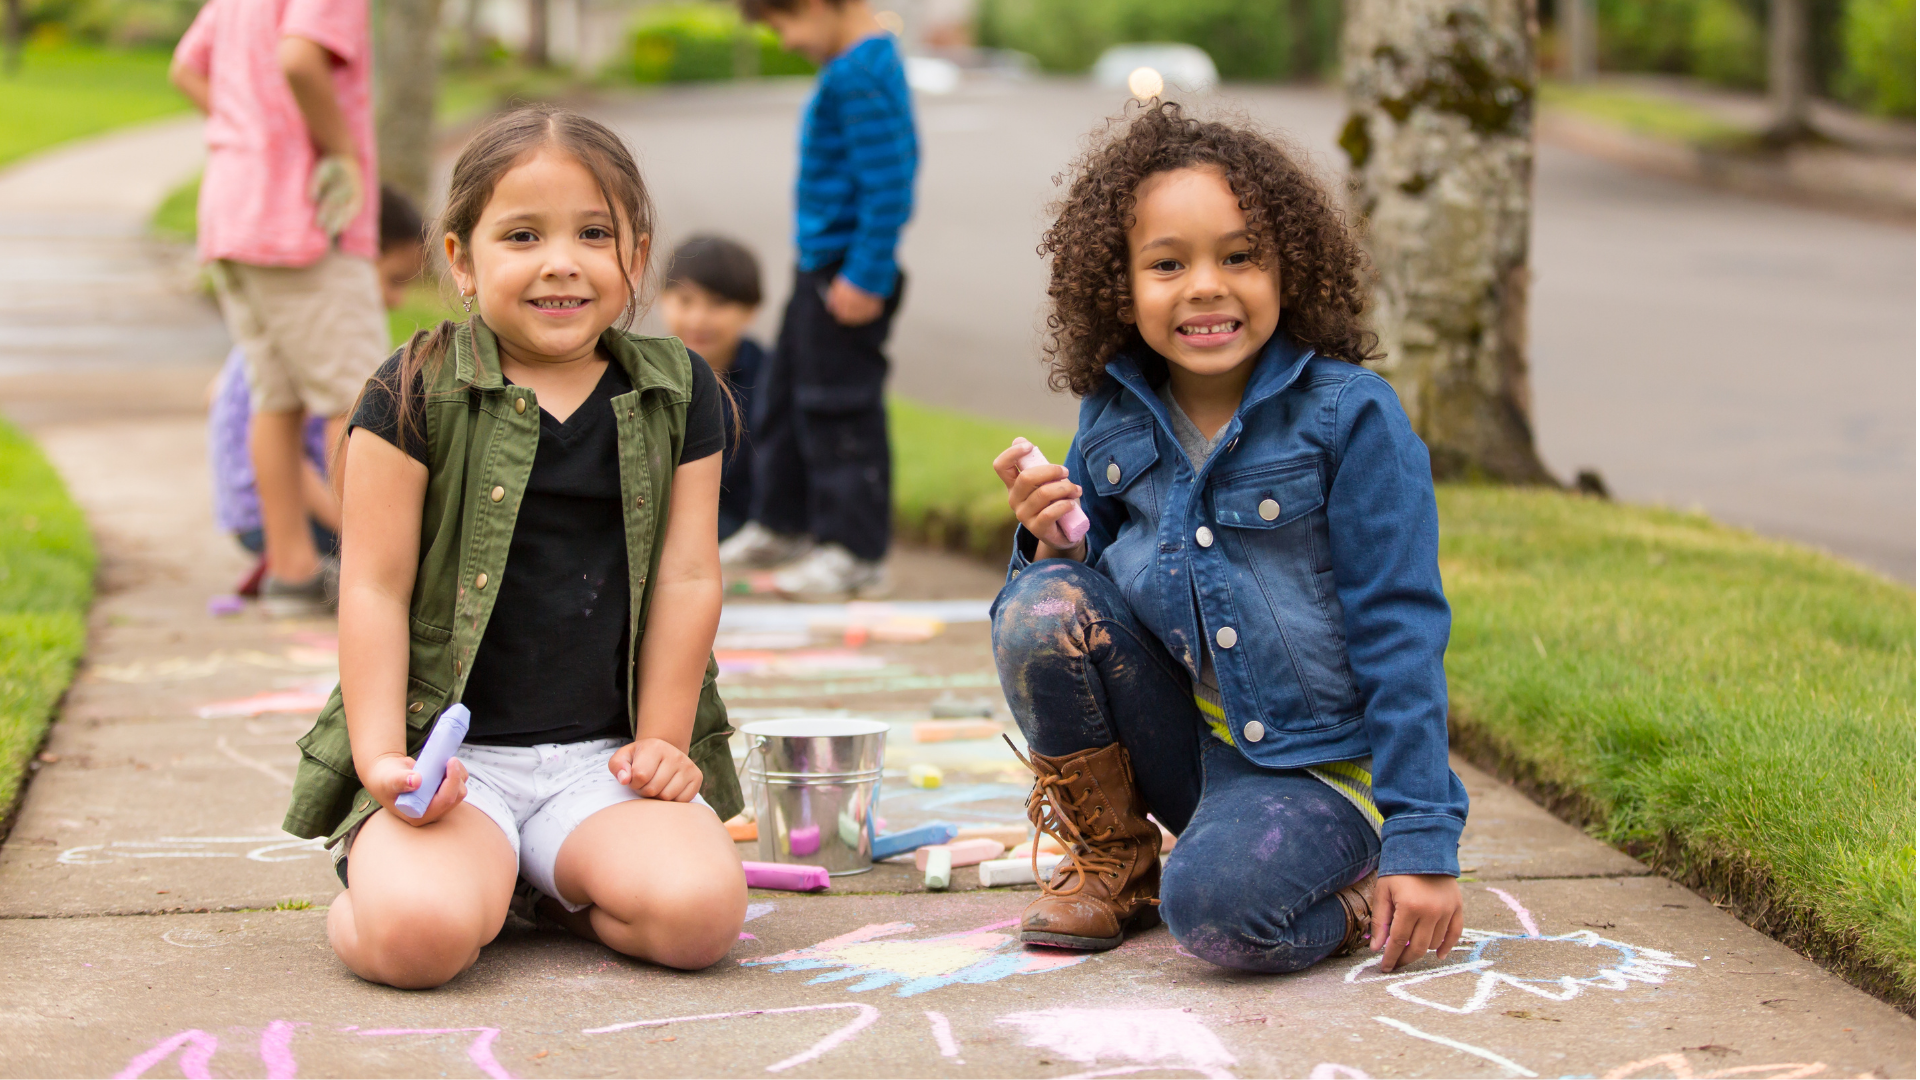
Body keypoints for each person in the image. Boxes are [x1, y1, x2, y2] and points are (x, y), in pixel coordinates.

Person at [989, 102, 1469, 976]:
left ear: (1293, 268)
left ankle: (1349, 897)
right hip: (1192, 751)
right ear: (1119, 287)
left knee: (1217, 916)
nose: (1206, 285)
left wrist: (1422, 840)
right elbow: (1093, 614)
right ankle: (1116, 865)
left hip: (1320, 773)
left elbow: (1402, 627)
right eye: (1168, 264)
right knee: (1041, 604)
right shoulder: (1112, 418)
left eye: (1240, 256)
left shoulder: (1349, 418)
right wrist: (1052, 545)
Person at [280, 106, 747, 989]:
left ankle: (547, 886)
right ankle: (417, 890)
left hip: (600, 763)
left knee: (700, 921)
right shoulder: (412, 390)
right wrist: (384, 758)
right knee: (419, 942)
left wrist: (663, 738)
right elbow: (372, 588)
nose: (561, 261)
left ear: (636, 257)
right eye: (523, 234)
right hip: (452, 766)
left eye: (593, 233)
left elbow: (689, 576)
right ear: (461, 260)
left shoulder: (680, 392)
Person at [171, 0, 388, 616]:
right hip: (305, 220)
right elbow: (299, 58)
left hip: (233, 213)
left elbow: (185, 68)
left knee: (278, 398)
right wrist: (338, 150)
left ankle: (292, 568)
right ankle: (371, 577)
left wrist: (254, 139)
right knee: (355, 399)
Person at [720, 0, 917, 600]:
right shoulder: (848, 69)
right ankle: (784, 522)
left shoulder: (861, 73)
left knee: (838, 408)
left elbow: (890, 183)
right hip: (818, 267)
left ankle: (853, 553)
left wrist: (866, 273)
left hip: (848, 272)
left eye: (783, 25)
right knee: (784, 394)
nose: (783, 41)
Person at [208, 186, 427, 596]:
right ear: (364, 255)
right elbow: (311, 453)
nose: (397, 299)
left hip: (260, 521)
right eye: (393, 279)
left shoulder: (277, 334)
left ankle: (295, 570)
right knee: (356, 408)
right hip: (289, 517)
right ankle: (365, 568)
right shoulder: (318, 333)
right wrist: (371, 536)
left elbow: (214, 394)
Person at [659, 235, 766, 541]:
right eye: (685, 301)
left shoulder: (770, 380)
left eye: (718, 304)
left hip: (743, 528)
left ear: (750, 310)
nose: (698, 318)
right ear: (660, 299)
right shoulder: (639, 376)